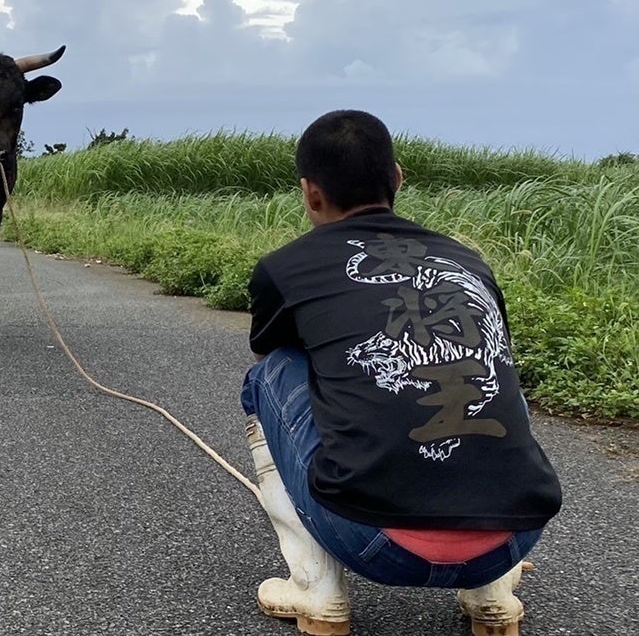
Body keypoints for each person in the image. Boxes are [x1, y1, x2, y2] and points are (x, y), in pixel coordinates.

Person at [240, 110, 562, 636]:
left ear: (310, 193)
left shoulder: (287, 266)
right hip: (514, 534)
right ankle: (492, 595)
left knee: (270, 375)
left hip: (373, 543)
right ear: (397, 179)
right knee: (485, 367)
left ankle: (316, 591)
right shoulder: (467, 260)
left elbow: (272, 354)